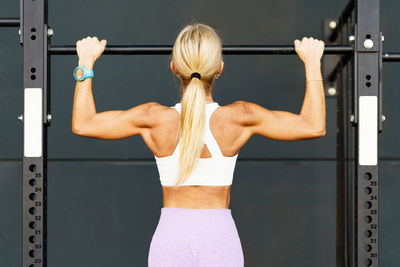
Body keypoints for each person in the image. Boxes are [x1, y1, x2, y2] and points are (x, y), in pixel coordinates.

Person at [72, 23, 325, 267]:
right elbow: (313, 126)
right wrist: (312, 63)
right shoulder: (239, 117)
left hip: (171, 239)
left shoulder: (153, 118)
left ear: (173, 68)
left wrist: (85, 62)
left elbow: (84, 123)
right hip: (219, 237)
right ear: (219, 69)